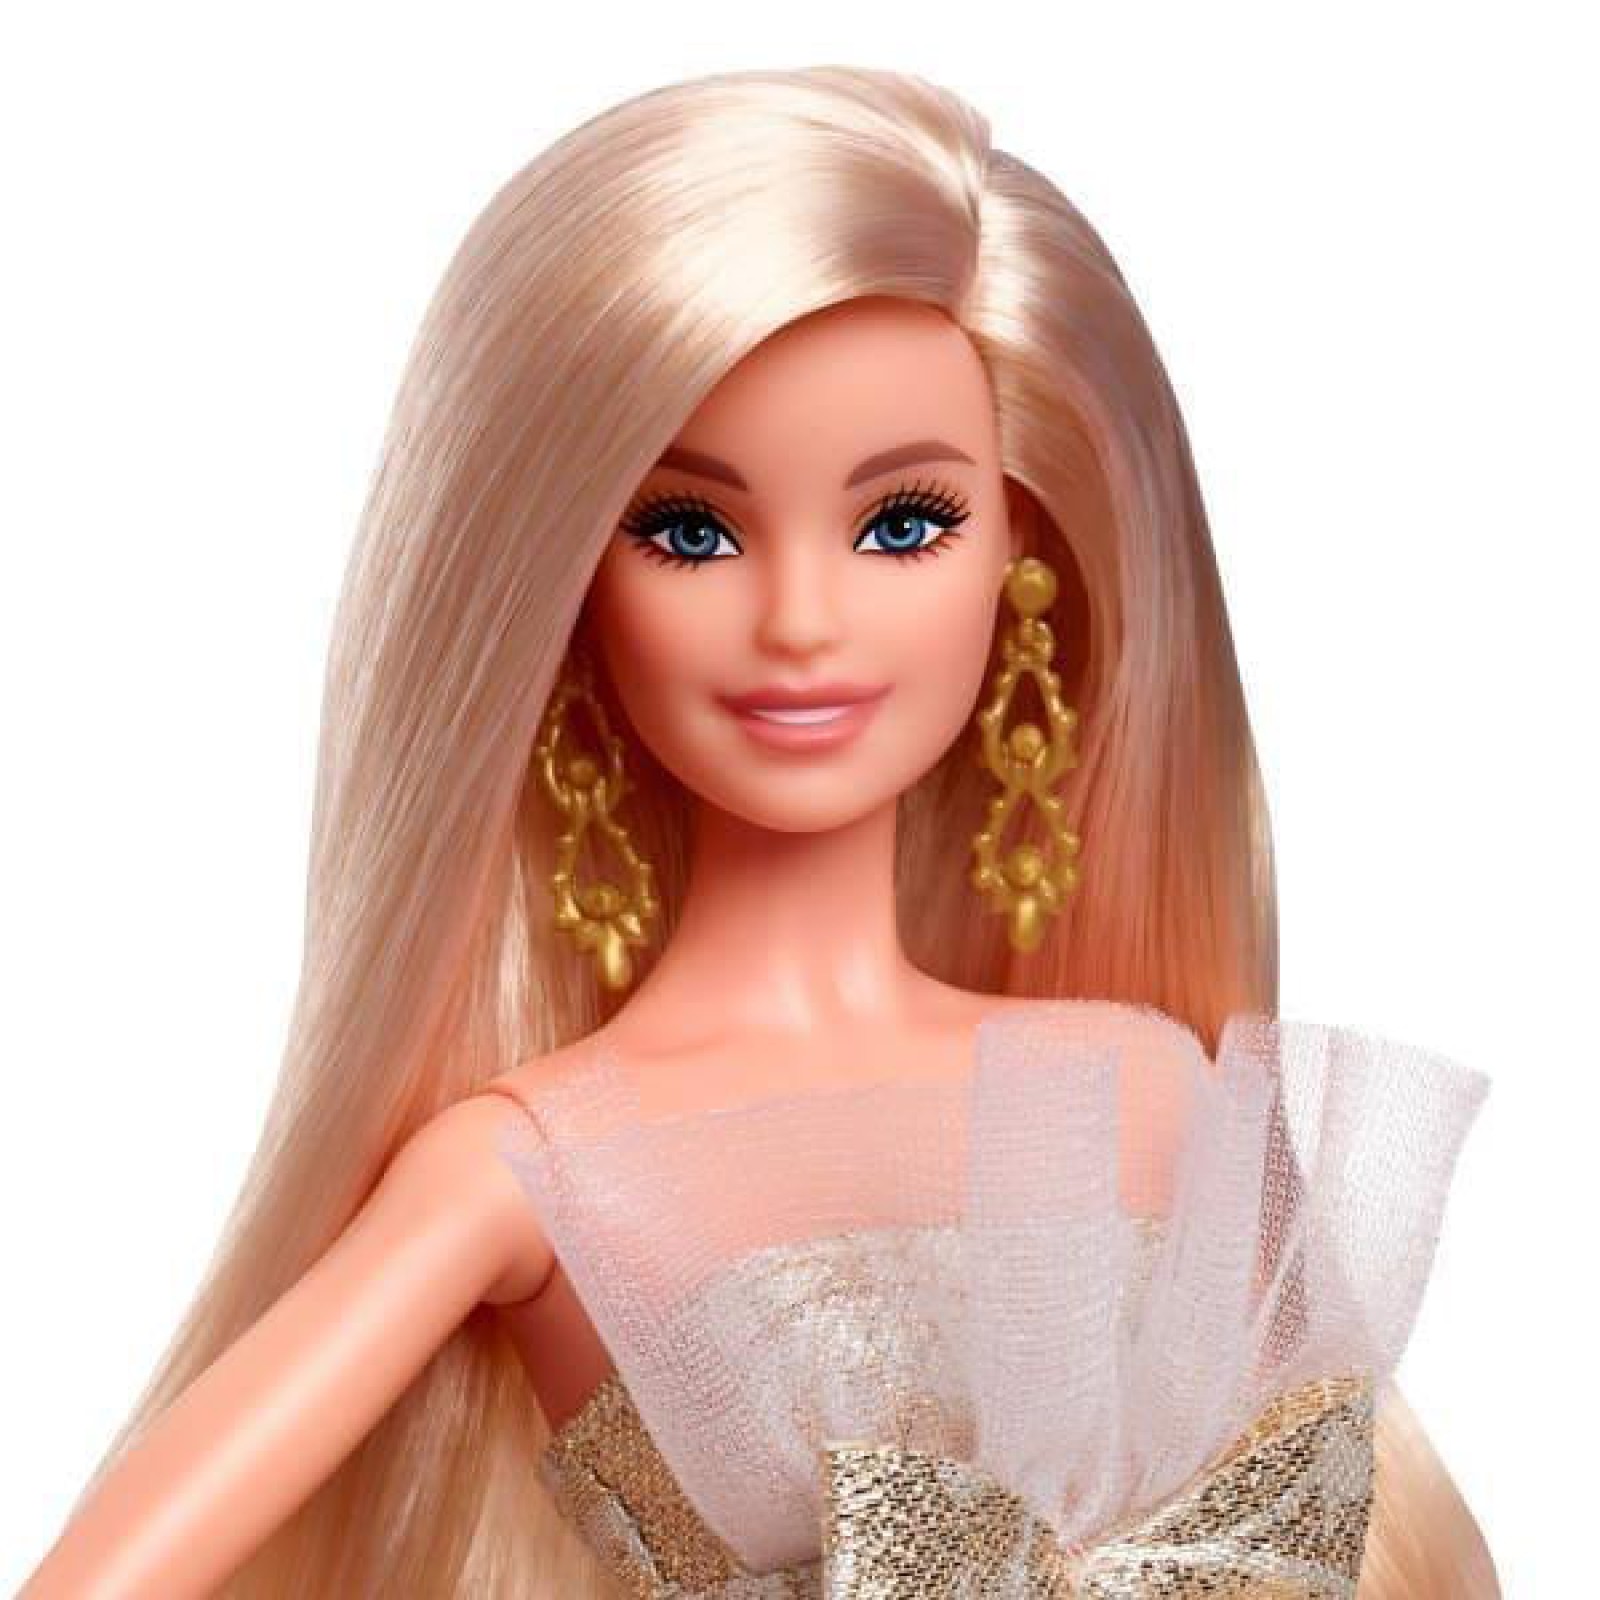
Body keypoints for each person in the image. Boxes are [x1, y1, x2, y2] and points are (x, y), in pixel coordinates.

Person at [22, 65, 1496, 1597]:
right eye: (691, 531)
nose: (800, 620)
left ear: (1025, 560)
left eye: (903, 524)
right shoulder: (530, 1168)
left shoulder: (1141, 1088)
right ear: (567, 596)